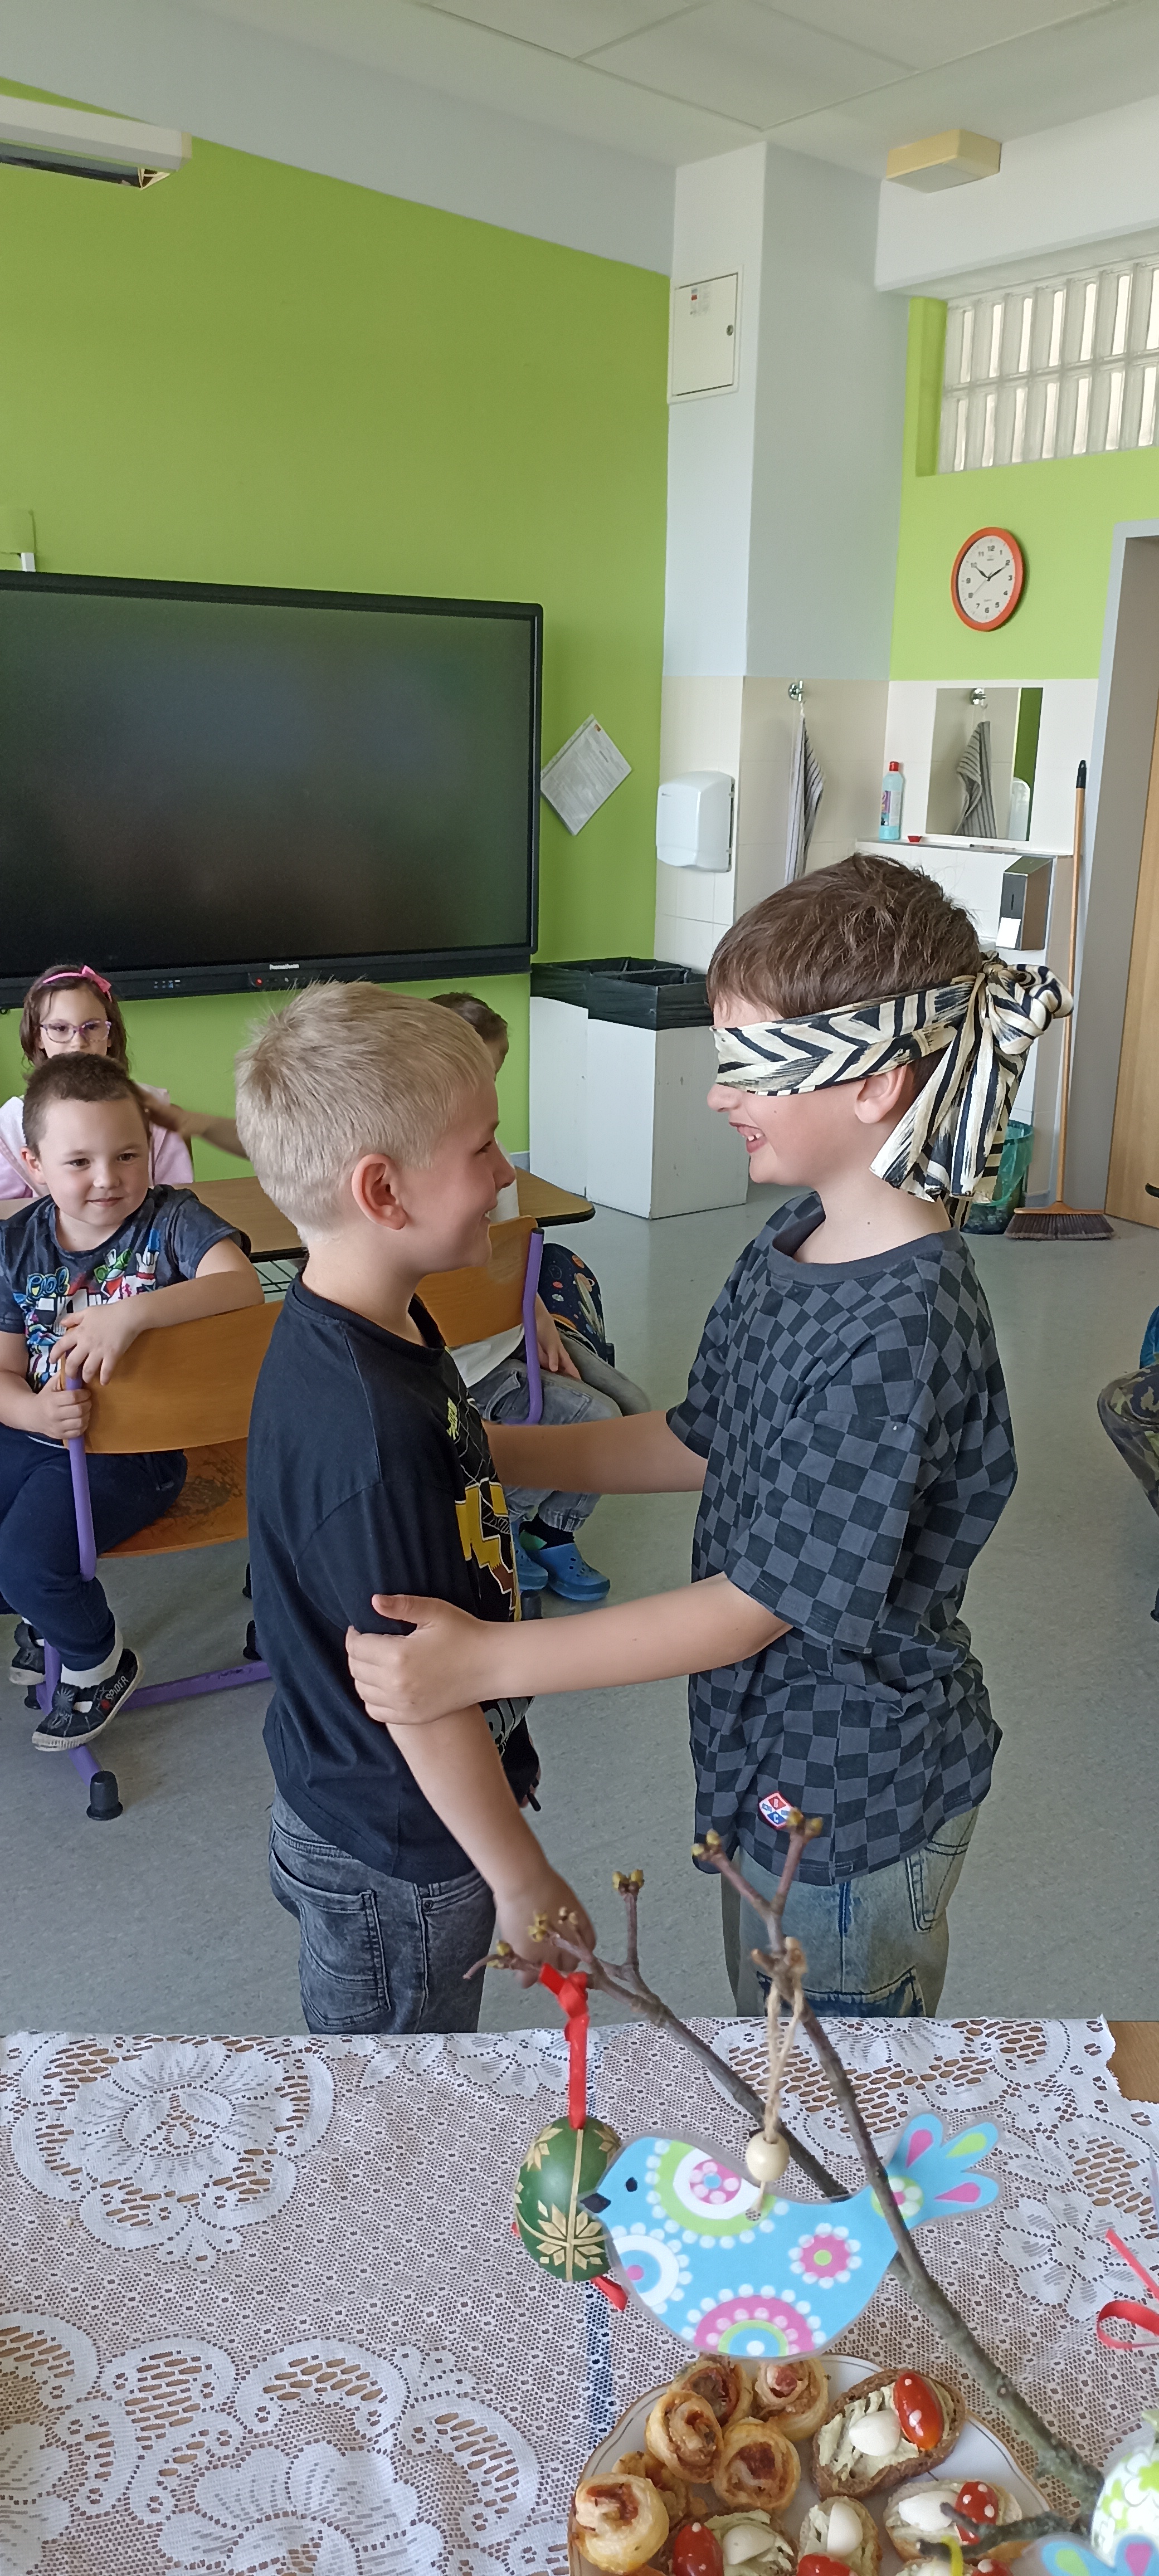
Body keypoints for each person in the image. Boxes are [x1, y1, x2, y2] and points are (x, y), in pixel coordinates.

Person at [348, 856, 1070, 2019]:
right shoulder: (793, 1236)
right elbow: (702, 1440)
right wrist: (484, 1448)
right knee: (769, 2033)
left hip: (853, 1802)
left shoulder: (899, 1327)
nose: (716, 1093)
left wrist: (484, 1661)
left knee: (825, 2077)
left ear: (873, 1082)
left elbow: (752, 1606)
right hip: (772, 1760)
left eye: (748, 1064)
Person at [235, 982, 593, 2038]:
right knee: (394, 2093)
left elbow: (464, 1455)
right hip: (403, 1856)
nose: (506, 1171)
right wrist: (522, 1877)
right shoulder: (366, 1431)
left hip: (367, 1807)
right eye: (483, 1147)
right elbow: (419, 1695)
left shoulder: (373, 1313)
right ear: (383, 1191)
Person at [0, 1053, 262, 1751]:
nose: (107, 1179)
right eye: (78, 1162)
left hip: (135, 1453)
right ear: (34, 1165)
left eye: (127, 1155)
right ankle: (49, 1613)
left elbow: (241, 1288)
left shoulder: (172, 1218)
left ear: (151, 1149)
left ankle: (97, 1663)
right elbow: (2, 1370)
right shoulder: (14, 1243)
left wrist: (130, 1315)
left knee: (26, 1561)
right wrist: (31, 1413)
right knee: (22, 1564)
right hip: (37, 1432)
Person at [429, 991, 649, 1604]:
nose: (485, 1089)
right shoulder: (420, 1168)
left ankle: (549, 1532)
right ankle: (501, 1525)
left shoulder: (493, 1159)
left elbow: (514, 1253)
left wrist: (535, 1312)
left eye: (493, 1072)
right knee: (598, 1418)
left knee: (634, 1408)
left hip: (512, 1332)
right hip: (467, 1365)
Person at [0, 963, 245, 1200]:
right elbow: (8, 1214)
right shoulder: (8, 1127)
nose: (78, 1042)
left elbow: (176, 1202)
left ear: (110, 1035)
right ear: (38, 1038)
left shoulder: (156, 1111)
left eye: (92, 1027)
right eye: (60, 1028)